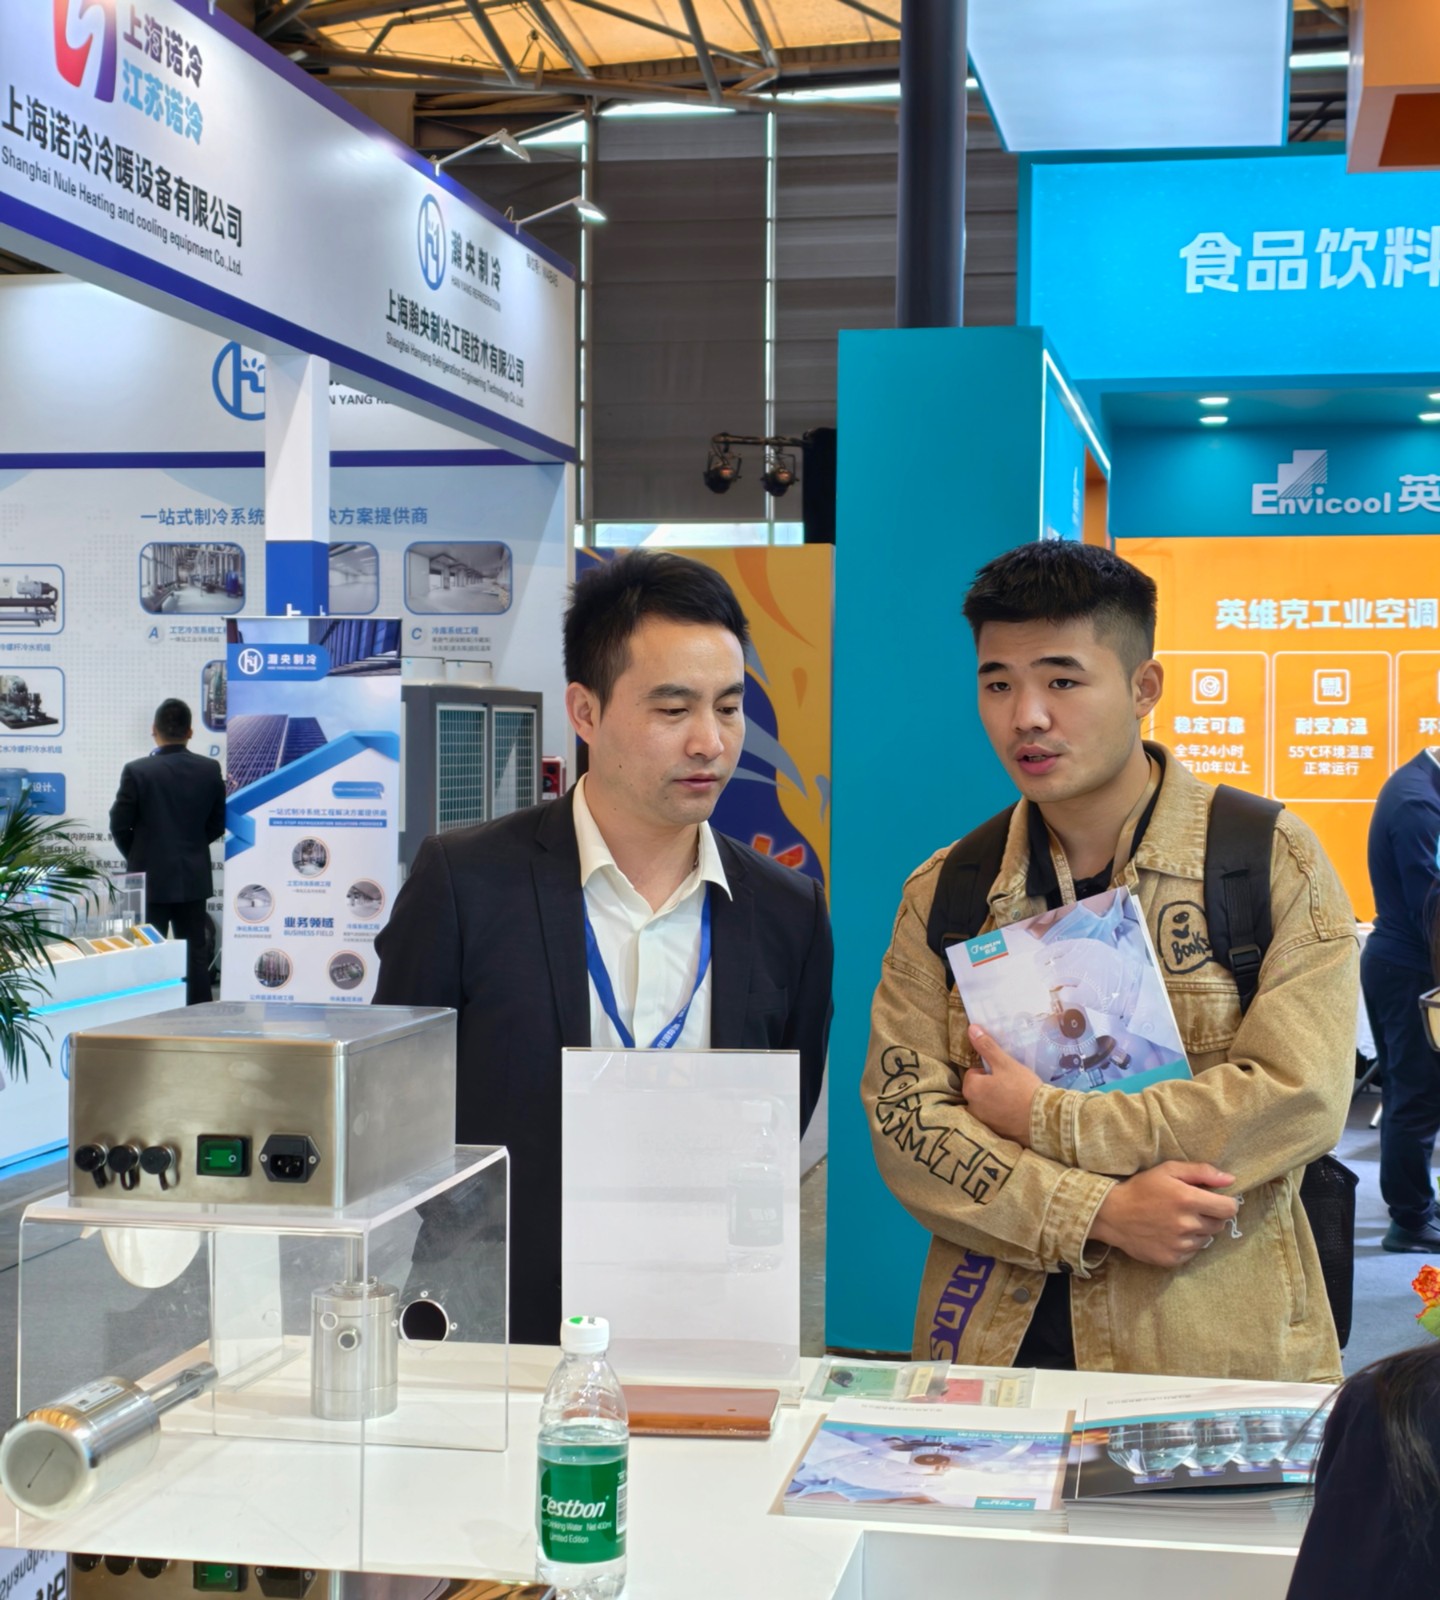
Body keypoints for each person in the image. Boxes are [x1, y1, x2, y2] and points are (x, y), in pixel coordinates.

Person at [861, 541, 1358, 1382]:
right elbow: (907, 1122)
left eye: (1062, 681)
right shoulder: (951, 891)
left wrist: (1051, 1120)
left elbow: (1298, 1095)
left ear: (1143, 687)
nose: (1027, 717)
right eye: (997, 684)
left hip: (1209, 1348)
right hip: (996, 1346)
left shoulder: (1265, 860)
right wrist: (1101, 1212)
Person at [374, 550, 834, 1344]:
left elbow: (782, 1109)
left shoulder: (786, 911)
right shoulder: (465, 882)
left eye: (729, 708)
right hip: (500, 1315)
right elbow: (398, 1100)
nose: (710, 742)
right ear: (585, 713)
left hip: (703, 1314)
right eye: (673, 709)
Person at [1361, 746, 1440, 1252]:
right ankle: (1410, 1220)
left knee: (1414, 1093)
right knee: (1416, 1096)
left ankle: (1417, 1204)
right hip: (1410, 972)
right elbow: (1431, 907)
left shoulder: (1423, 789)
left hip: (1407, 965)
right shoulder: (1417, 803)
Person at [109, 697, 226, 1005]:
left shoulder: (137, 771)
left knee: (146, 954)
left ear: (154, 730)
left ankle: (148, 1014)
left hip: (149, 880)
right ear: (190, 732)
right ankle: (200, 1018)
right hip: (192, 876)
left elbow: (119, 824)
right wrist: (193, 845)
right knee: (195, 954)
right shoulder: (209, 769)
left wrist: (140, 856)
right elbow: (218, 822)